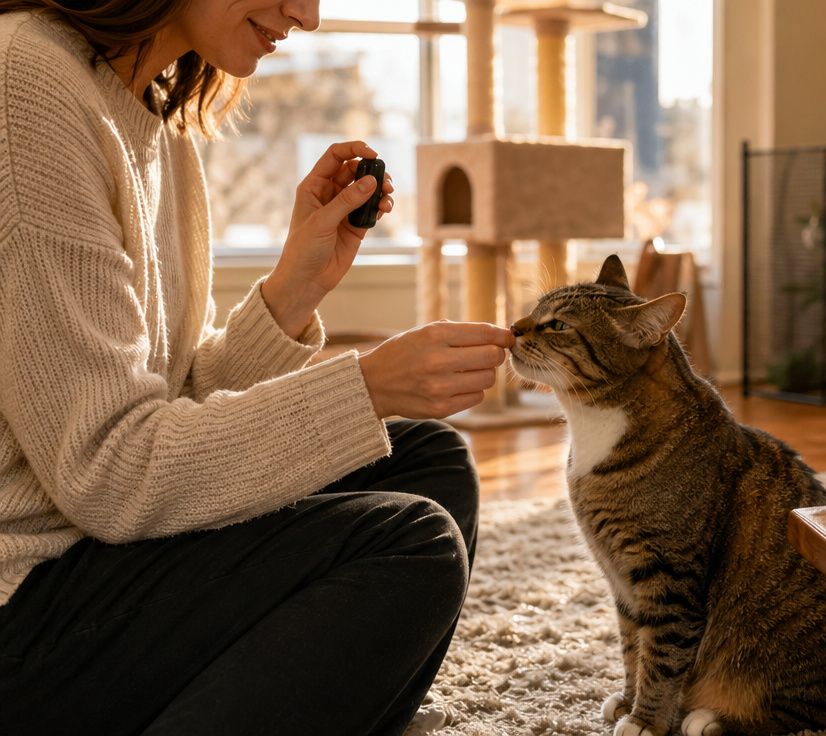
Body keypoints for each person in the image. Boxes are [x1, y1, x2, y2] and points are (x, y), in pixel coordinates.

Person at [0, 1, 515, 734]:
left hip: (96, 548)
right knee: (411, 540)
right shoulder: (24, 84)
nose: (306, 15)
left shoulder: (155, 120)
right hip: (23, 597)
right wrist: (365, 389)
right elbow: (110, 471)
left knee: (428, 462)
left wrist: (294, 287)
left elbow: (171, 402)